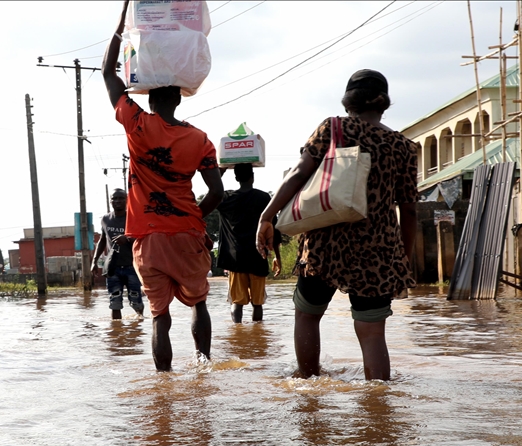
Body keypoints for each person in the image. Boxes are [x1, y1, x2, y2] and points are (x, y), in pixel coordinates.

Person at [257, 69, 418, 381]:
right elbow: (409, 211)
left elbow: (299, 174)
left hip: (323, 246)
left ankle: (308, 387)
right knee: (372, 333)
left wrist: (267, 216)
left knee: (307, 316)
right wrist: (404, 260)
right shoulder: (403, 147)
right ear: (384, 104)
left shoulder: (333, 129)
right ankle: (378, 406)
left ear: (348, 102)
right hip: (378, 251)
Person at [103, 0, 224, 372]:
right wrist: (192, 217)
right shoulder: (200, 139)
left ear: (151, 97)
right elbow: (216, 193)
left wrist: (123, 19)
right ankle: (204, 368)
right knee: (199, 304)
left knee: (160, 316)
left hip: (149, 239)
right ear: (177, 97)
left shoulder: (138, 125)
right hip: (188, 233)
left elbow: (109, 74)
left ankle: (164, 384)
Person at [216, 164, 281, 323]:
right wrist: (278, 258)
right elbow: (274, 230)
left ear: (236, 178)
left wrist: (220, 172)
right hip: (258, 257)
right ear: (253, 176)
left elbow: (213, 192)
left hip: (236, 259)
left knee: (237, 303)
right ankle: (257, 336)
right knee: (257, 304)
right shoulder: (264, 198)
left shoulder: (226, 199)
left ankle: (237, 334)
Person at [92, 189, 145, 320]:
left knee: (136, 302)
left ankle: (139, 324)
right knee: (114, 302)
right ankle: (116, 332)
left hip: (132, 267)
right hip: (113, 268)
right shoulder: (105, 219)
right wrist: (94, 261)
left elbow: (143, 239)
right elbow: (102, 240)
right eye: (114, 199)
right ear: (110, 201)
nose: (117, 201)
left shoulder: (133, 218)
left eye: (121, 198)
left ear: (127, 200)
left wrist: (127, 238)